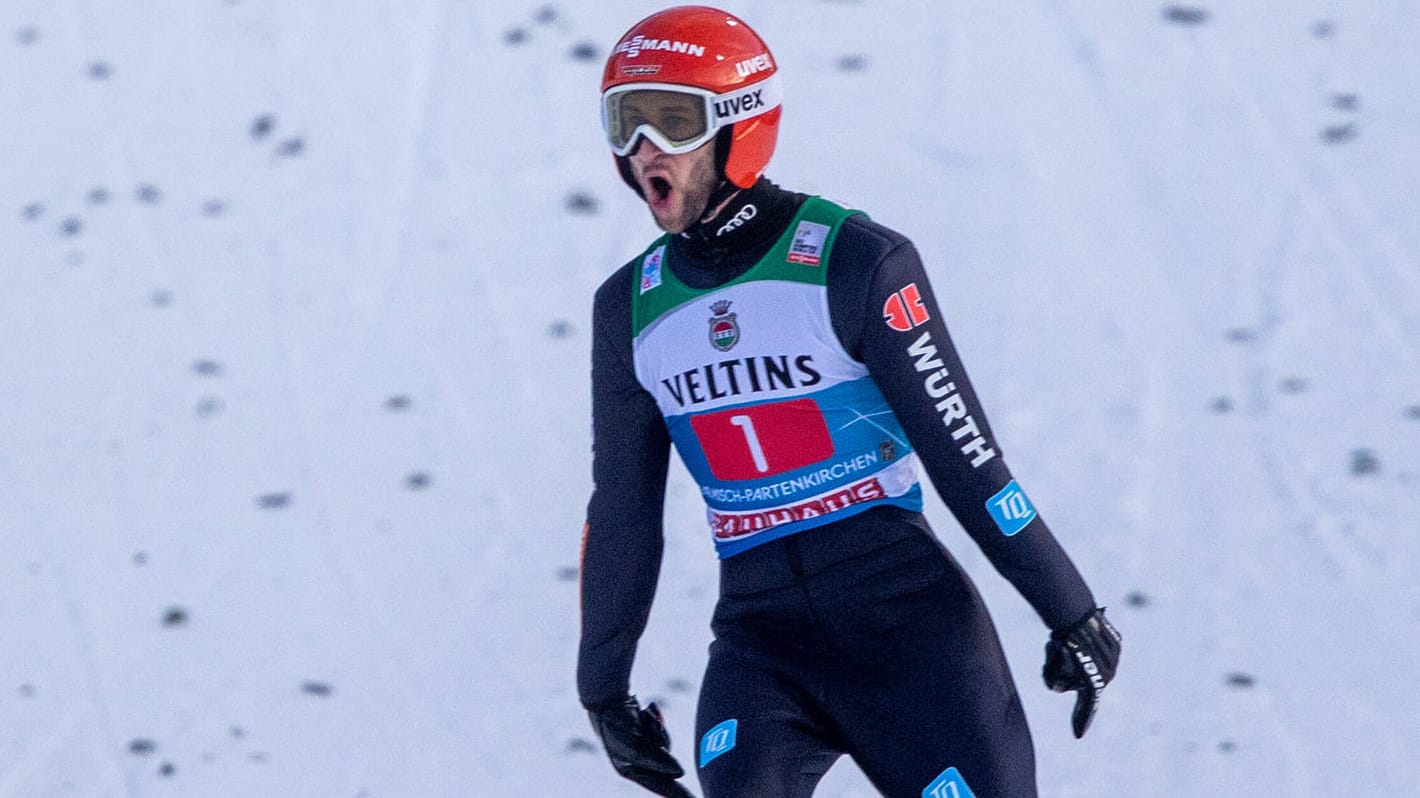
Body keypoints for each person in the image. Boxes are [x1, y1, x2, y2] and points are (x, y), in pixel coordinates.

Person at [578, 7, 1122, 797]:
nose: (644, 149)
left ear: (742, 125)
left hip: (909, 629)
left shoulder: (854, 261)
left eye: (672, 119)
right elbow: (624, 510)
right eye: (624, 123)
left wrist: (1071, 610)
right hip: (762, 645)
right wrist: (602, 686)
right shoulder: (628, 306)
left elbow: (966, 459)